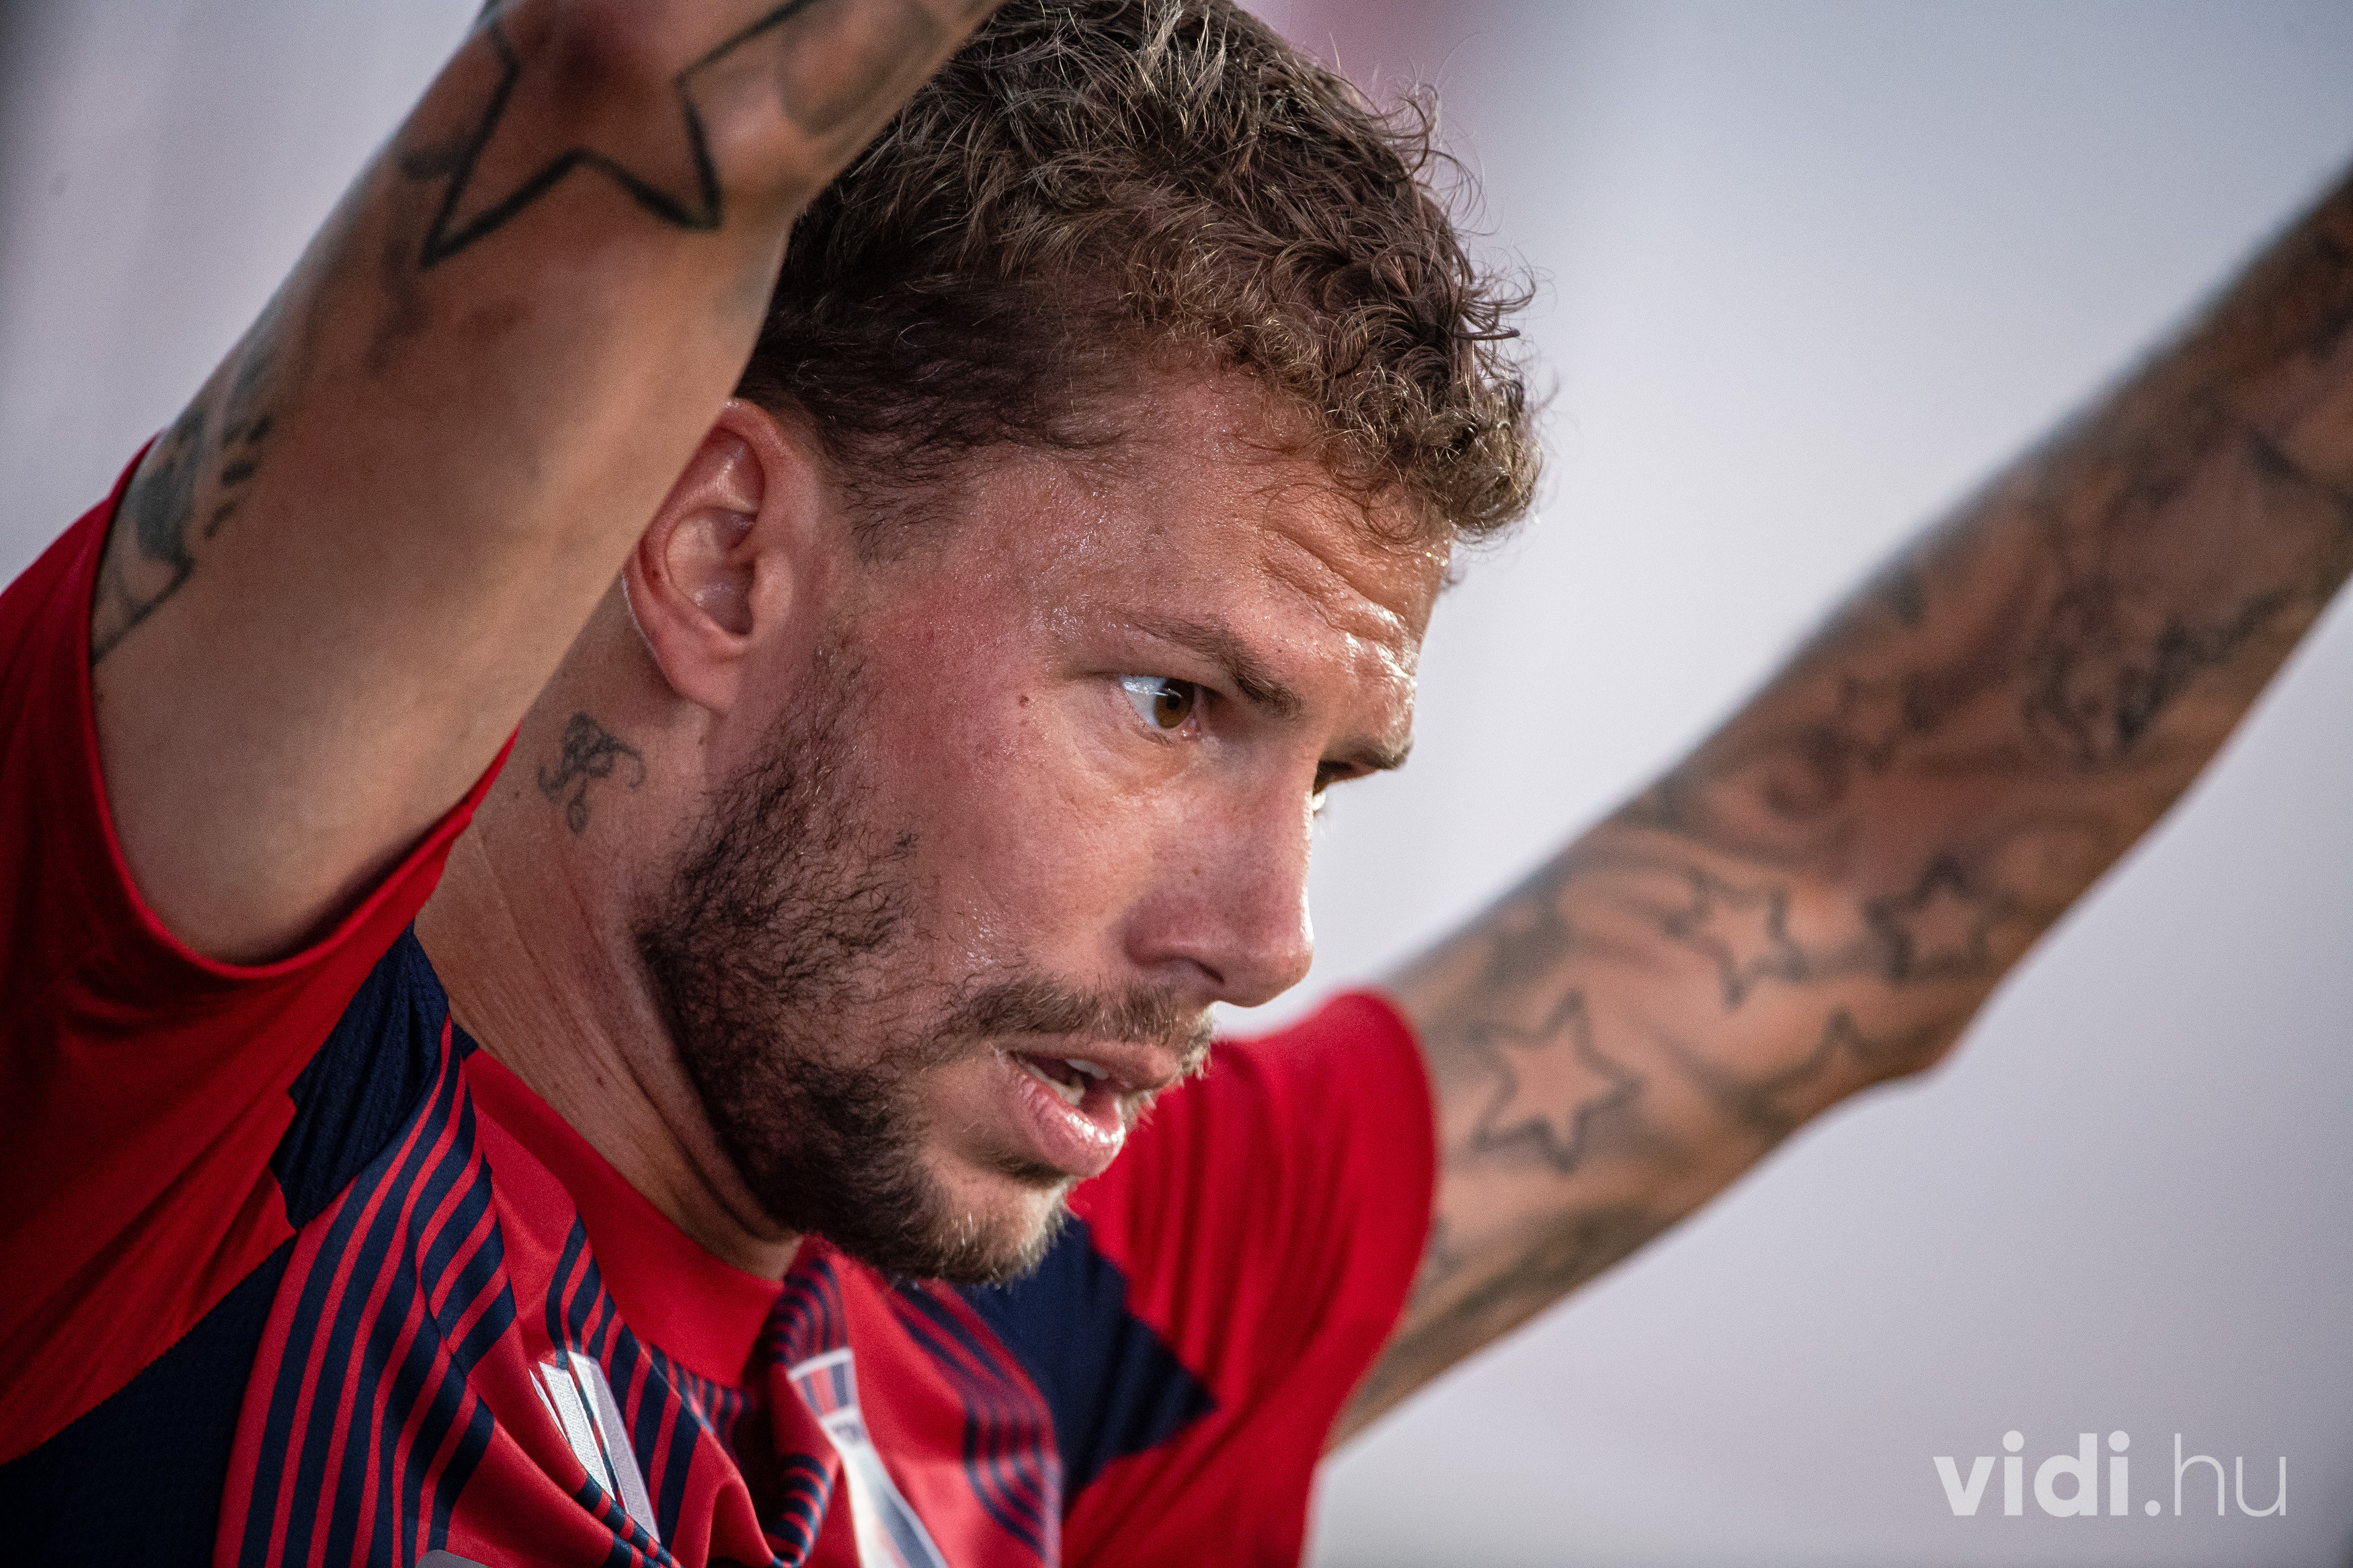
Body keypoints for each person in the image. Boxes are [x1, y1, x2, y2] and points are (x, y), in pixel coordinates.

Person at [2, 1, 2347, 1563]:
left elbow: (1847, 875)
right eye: (1171, 702)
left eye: (1329, 773)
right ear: (719, 553)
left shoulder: (1063, 1327)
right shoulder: (152, 1062)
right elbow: (647, 89)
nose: (1267, 937)